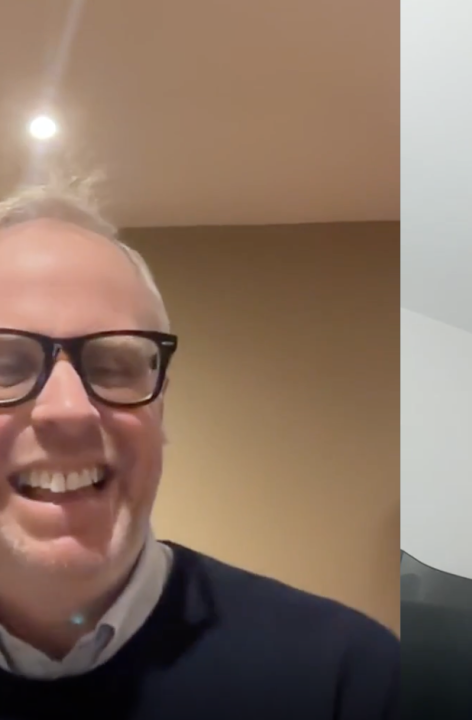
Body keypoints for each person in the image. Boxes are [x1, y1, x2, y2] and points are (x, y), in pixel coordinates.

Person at [0, 178, 398, 719]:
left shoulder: (350, 680)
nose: (69, 409)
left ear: (160, 405)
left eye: (113, 365)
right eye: (6, 365)